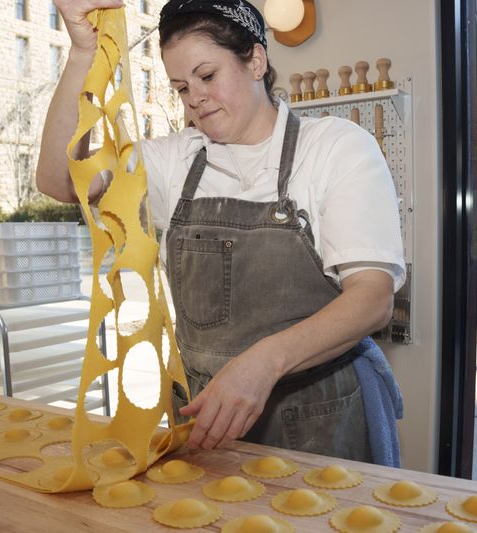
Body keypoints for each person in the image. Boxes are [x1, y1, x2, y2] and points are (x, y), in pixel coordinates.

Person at [38, 0, 405, 465]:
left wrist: (262, 363)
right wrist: (81, 54)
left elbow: (373, 298)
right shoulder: (176, 160)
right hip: (211, 418)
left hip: (326, 416)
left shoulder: (334, 148)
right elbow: (58, 179)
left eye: (207, 76)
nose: (195, 98)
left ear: (256, 60)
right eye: (181, 87)